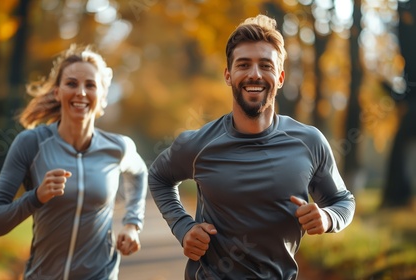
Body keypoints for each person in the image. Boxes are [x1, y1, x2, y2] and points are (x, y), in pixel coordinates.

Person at [148, 14, 355, 280]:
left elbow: (343, 201)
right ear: (228, 75)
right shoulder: (198, 143)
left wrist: (327, 218)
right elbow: (158, 176)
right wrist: (182, 226)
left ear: (279, 77)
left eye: (265, 65)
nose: (254, 74)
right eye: (243, 64)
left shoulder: (309, 142)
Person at [0, 44, 147, 280]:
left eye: (90, 85)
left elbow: (140, 172)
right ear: (57, 92)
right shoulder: (30, 143)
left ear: (102, 96)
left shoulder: (118, 147)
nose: (81, 92)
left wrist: (133, 223)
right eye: (72, 83)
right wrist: (36, 197)